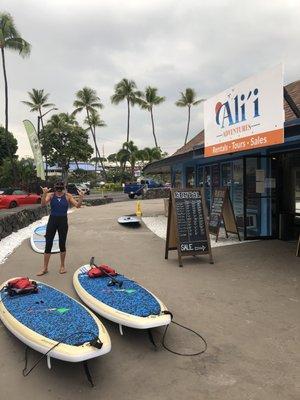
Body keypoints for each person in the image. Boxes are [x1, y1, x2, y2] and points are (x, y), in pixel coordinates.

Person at [37, 181, 85, 276]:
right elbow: (42, 205)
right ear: (55, 188)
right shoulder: (50, 195)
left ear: (63, 188)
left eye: (60, 187)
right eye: (57, 187)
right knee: (48, 243)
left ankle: (62, 266)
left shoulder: (68, 196)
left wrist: (81, 197)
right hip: (52, 221)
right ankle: (45, 268)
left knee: (62, 243)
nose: (59, 189)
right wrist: (44, 193)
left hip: (63, 222)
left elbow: (78, 206)